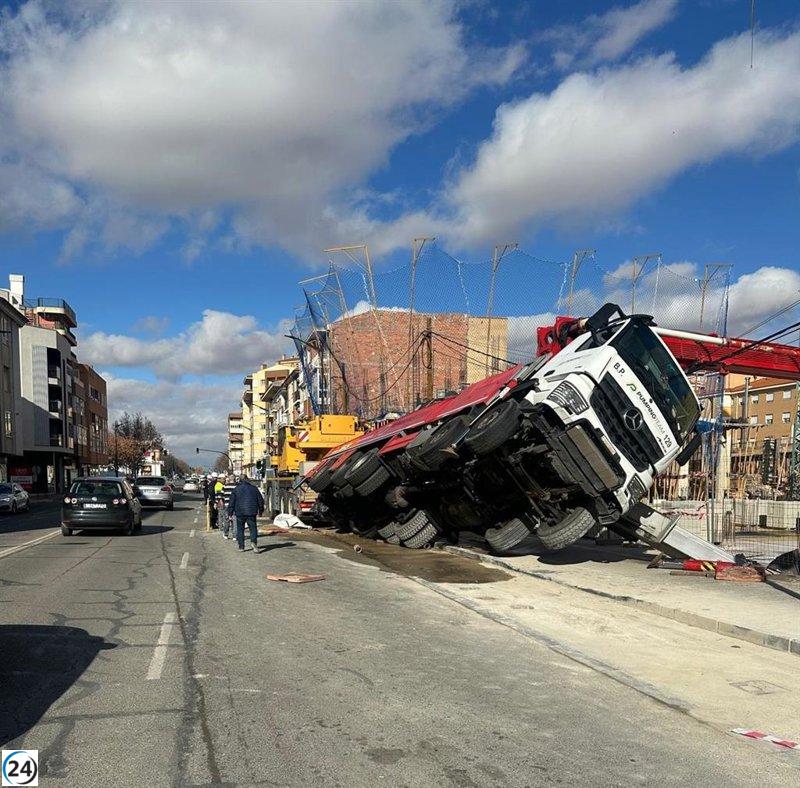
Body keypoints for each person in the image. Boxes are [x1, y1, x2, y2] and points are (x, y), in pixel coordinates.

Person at [227, 474, 264, 553]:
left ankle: (241, 546)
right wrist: (260, 511)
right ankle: (253, 542)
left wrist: (230, 513)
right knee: (253, 528)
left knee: (240, 529)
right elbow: (260, 500)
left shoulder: (236, 489)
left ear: (239, 480)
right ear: (247, 479)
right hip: (251, 512)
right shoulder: (254, 489)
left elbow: (231, 502)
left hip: (240, 512)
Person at [218, 475, 236, 540]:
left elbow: (220, 496)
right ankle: (235, 536)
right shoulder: (237, 486)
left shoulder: (225, 486)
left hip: (227, 506)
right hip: (235, 506)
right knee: (234, 521)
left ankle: (226, 534)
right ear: (234, 479)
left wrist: (222, 503)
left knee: (226, 521)